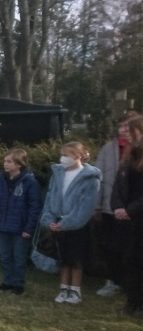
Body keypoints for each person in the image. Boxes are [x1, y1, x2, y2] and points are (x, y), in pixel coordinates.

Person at [41, 142, 101, 305]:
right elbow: (50, 196)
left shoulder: (89, 177)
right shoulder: (58, 174)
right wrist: (50, 219)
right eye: (62, 154)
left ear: (78, 156)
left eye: (67, 155)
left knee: (76, 259)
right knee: (63, 258)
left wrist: (67, 223)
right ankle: (63, 288)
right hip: (58, 221)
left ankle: (75, 291)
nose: (63, 158)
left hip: (78, 225)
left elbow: (85, 206)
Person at [0, 148, 43, 295]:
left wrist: (28, 228)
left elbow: (34, 207)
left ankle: (18, 284)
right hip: (2, 226)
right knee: (5, 256)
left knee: (19, 257)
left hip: (20, 228)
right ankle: (7, 282)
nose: (5, 164)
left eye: (9, 161)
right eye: (5, 161)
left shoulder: (29, 182)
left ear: (19, 164)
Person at [94, 112, 139, 296]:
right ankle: (113, 281)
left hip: (135, 211)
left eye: (127, 127)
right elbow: (98, 177)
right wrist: (97, 204)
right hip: (110, 207)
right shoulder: (109, 148)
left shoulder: (138, 150)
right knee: (111, 247)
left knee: (132, 249)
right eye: (120, 126)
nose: (122, 130)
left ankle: (131, 286)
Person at [111, 115, 143, 317]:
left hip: (139, 216)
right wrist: (117, 206)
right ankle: (132, 300)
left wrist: (129, 209)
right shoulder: (129, 155)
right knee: (129, 259)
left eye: (130, 131)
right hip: (126, 218)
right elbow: (119, 185)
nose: (126, 134)